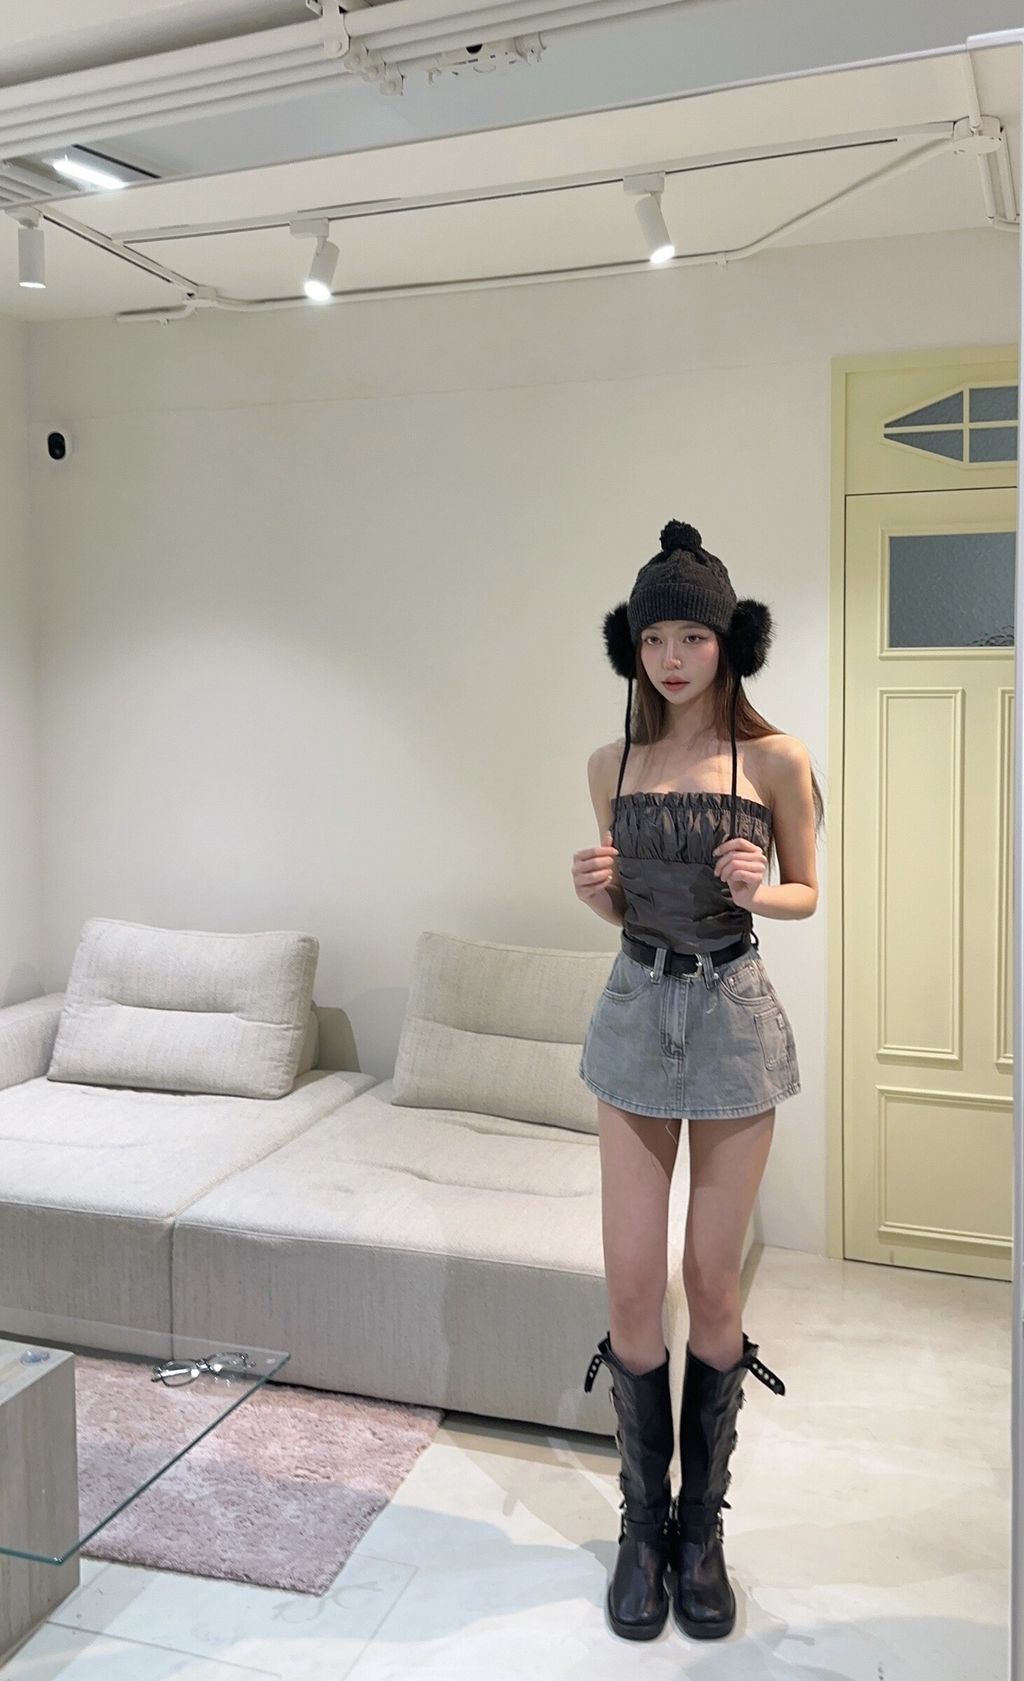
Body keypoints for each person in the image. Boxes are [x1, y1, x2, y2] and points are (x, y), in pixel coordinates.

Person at [571, 519, 822, 1643]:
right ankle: (643, 1526)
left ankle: (698, 1533)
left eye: (693, 636)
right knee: (632, 1287)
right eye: (653, 638)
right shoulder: (610, 764)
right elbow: (630, 905)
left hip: (729, 1014)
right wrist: (598, 897)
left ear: (730, 643)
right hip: (634, 1010)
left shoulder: (775, 761)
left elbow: (808, 889)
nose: (672, 658)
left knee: (710, 1283)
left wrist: (762, 887)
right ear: (632, 647)